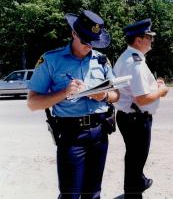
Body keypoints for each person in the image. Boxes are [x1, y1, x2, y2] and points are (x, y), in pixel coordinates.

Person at [27, 10, 119, 199]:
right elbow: (33, 103)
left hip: (100, 133)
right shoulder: (51, 60)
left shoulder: (101, 60)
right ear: (74, 34)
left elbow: (116, 94)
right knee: (70, 194)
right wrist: (64, 92)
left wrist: (103, 96)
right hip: (71, 135)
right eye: (85, 41)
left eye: (93, 42)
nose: (89, 47)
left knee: (93, 193)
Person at [113, 18, 169, 198]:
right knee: (136, 159)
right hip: (136, 119)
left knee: (133, 158)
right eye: (149, 37)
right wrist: (162, 90)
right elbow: (142, 99)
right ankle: (133, 192)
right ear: (139, 40)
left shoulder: (128, 57)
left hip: (129, 117)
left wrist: (156, 84)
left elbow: (137, 89)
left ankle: (137, 183)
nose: (152, 40)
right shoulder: (135, 62)